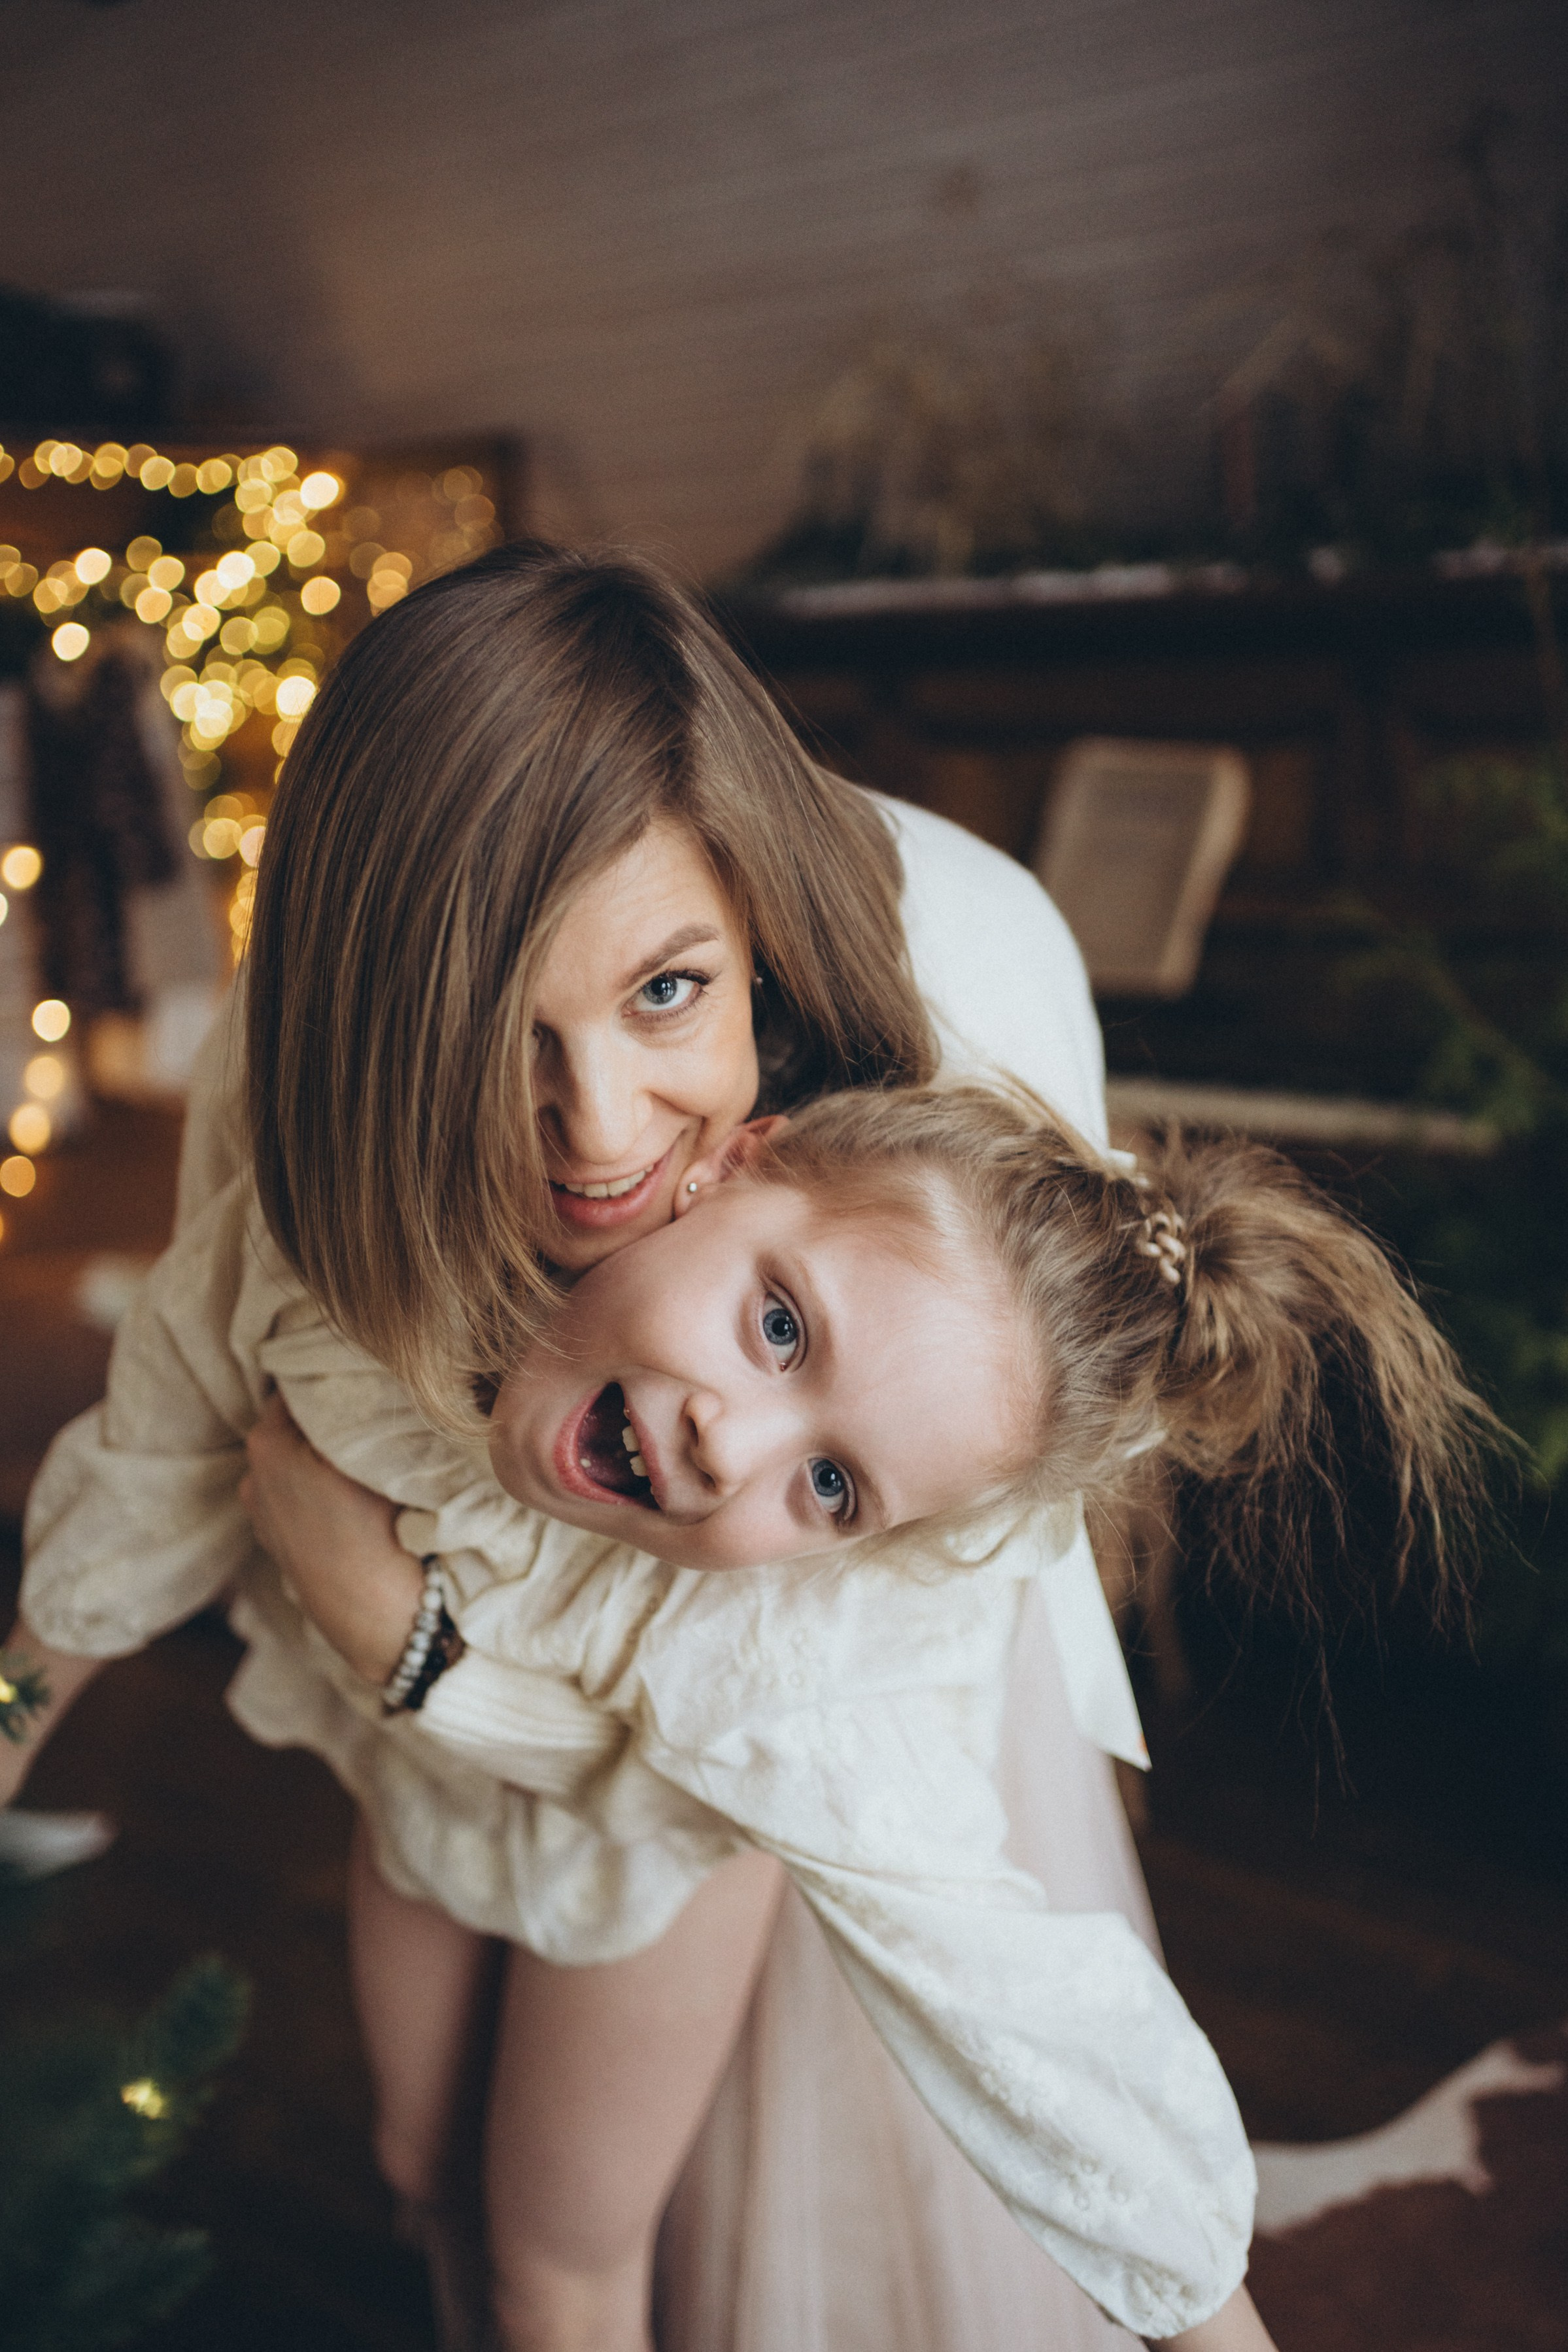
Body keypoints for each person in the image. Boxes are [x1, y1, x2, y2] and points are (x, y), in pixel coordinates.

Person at [1, 543, 1314, 2351]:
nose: (601, 1129)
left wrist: (414, 1642)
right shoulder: (321, 1218)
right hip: (429, 1797)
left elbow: (1030, 2018)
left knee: (563, 2240)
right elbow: (138, 1478)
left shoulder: (816, 1569)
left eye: (669, 995)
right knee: (413, 2160)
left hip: (664, 1837)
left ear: (763, 1096)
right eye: (508, 1030)